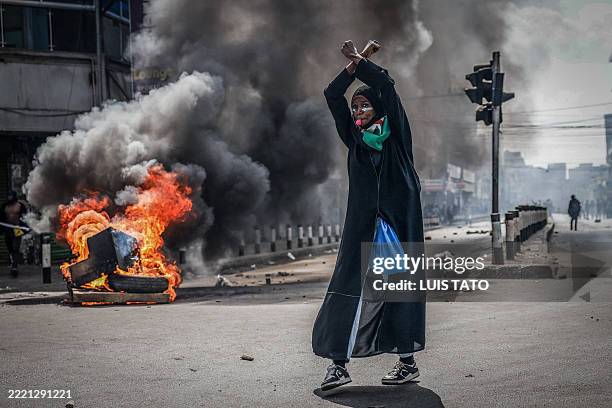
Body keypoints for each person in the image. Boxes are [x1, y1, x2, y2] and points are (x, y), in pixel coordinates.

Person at [312, 41, 425, 391]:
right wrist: (350, 69)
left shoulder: (397, 137)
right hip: (363, 227)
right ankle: (337, 365)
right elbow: (332, 95)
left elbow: (387, 87)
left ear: (378, 109)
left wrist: (361, 62)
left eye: (364, 105)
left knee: (398, 291)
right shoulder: (355, 139)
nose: (358, 110)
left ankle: (406, 362)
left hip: (397, 224)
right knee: (347, 290)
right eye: (356, 106)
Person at [1, 191, 28, 277]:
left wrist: (25, 225)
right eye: (8, 196)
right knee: (10, 249)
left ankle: (14, 267)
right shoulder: (4, 206)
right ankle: (13, 262)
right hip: (8, 230)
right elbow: (1, 218)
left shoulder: (20, 206)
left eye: (11, 196)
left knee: (15, 248)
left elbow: (25, 217)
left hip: (17, 229)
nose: (10, 198)